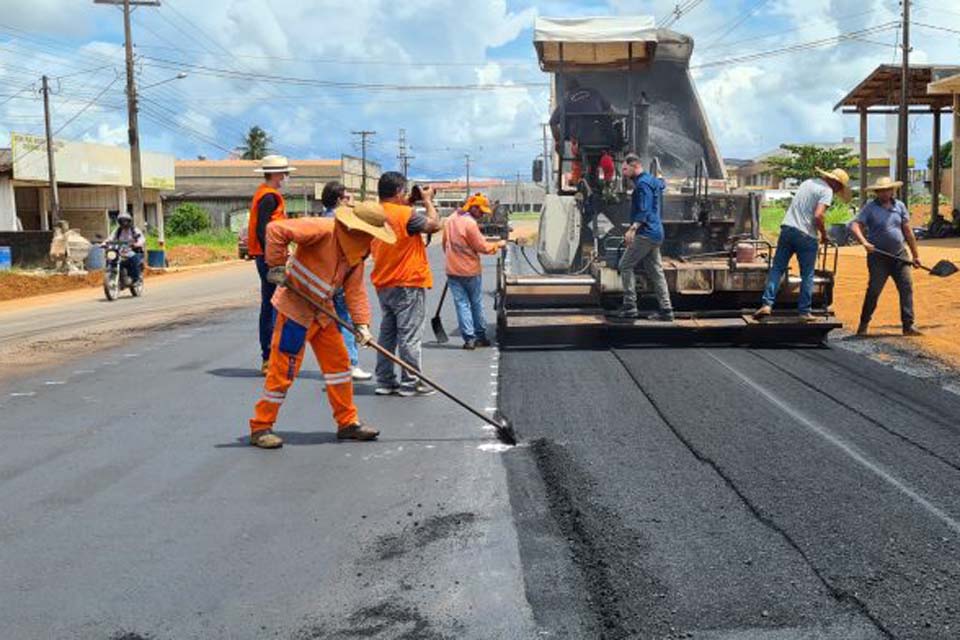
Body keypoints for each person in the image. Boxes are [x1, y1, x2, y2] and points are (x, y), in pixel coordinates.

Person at [247, 200, 396, 449]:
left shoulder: (356, 255)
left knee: (339, 366)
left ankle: (347, 423)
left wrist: (362, 325)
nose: (370, 239)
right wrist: (276, 265)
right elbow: (275, 229)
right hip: (295, 310)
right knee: (283, 371)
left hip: (323, 313)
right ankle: (261, 426)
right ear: (356, 229)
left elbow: (355, 290)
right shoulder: (322, 229)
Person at [370, 172, 442, 397]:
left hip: (383, 281)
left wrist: (412, 200)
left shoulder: (373, 213)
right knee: (410, 334)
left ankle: (384, 380)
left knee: (388, 333)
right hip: (407, 282)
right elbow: (434, 225)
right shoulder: (405, 214)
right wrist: (428, 201)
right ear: (399, 192)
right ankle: (411, 382)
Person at [754, 167, 851, 322]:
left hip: (787, 229)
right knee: (807, 274)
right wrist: (824, 235)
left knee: (778, 268)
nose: (838, 190)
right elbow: (818, 215)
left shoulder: (808, 183)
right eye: (839, 187)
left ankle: (767, 304)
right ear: (836, 183)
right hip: (806, 235)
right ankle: (804, 312)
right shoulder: (827, 191)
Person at [849, 176, 923, 337]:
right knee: (874, 290)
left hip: (899, 255)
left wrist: (915, 255)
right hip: (878, 257)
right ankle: (863, 324)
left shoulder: (900, 206)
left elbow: (908, 231)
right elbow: (854, 225)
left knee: (906, 288)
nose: (884, 193)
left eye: (887, 190)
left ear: (892, 191)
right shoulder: (870, 208)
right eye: (881, 191)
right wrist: (864, 242)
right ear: (876, 192)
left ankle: (908, 325)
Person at [320, 181, 373, 380]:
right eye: (347, 198)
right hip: (339, 280)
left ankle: (335, 364)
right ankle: (350, 363)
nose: (350, 202)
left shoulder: (323, 219)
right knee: (347, 322)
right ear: (339, 200)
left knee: (330, 325)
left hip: (324, 280)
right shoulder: (342, 222)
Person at [248, 155, 294, 375]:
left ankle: (270, 356)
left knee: (271, 303)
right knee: (274, 304)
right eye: (284, 173)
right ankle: (270, 356)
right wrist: (273, 258)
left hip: (267, 255)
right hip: (269, 258)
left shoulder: (264, 194)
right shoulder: (269, 197)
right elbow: (263, 229)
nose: (286, 177)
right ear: (275, 174)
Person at [442, 193, 506, 349]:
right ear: (473, 207)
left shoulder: (450, 220)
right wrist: (498, 245)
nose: (483, 214)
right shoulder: (470, 223)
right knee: (475, 303)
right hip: (470, 271)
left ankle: (469, 339)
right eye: (481, 210)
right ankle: (480, 336)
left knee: (462, 304)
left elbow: (445, 244)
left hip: (452, 270)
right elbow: (482, 247)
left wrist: (453, 259)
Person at [616, 153, 673, 321]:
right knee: (656, 272)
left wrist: (632, 229)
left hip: (646, 233)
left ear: (635, 166)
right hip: (656, 232)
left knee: (625, 265)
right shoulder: (652, 180)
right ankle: (667, 310)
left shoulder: (642, 185)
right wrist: (661, 177)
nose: (624, 173)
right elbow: (662, 184)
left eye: (625, 169)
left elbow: (645, 209)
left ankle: (630, 306)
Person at [111, 211, 146, 283]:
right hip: (120, 251)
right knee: (111, 258)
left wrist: (137, 244)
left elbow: (142, 239)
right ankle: (113, 274)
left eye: (125, 221)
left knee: (134, 259)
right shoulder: (118, 230)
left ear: (129, 221)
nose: (124, 223)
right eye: (122, 221)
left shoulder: (134, 230)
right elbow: (110, 238)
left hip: (133, 250)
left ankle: (134, 278)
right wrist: (103, 243)